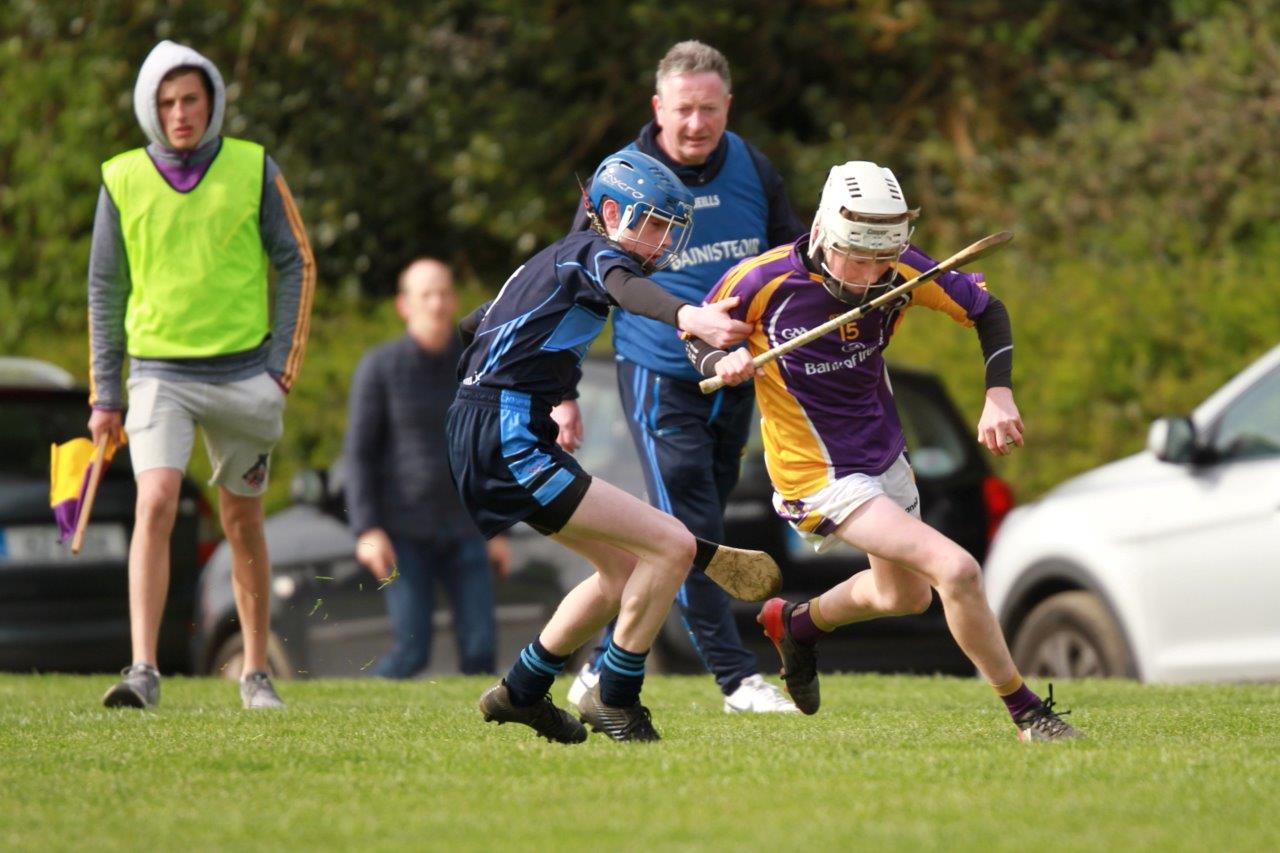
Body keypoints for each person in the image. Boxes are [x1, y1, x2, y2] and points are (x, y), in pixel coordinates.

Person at [689, 160, 1082, 742]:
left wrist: (998, 392)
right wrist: (720, 358)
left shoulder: (900, 269)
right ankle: (1028, 715)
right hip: (815, 475)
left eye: (882, 260)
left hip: (883, 454)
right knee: (958, 570)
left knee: (904, 594)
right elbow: (697, 331)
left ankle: (797, 626)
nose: (871, 275)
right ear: (823, 233)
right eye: (858, 258)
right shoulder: (760, 282)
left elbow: (986, 311)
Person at [452, 151, 780, 743]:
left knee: (623, 568)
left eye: (667, 228)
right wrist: (692, 318)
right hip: (506, 432)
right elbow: (626, 291)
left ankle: (521, 693)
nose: (661, 240)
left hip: (489, 428)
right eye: (652, 223)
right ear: (610, 212)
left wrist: (545, 392)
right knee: (674, 545)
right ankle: (617, 698)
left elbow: (473, 329)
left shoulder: (549, 262)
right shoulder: (594, 253)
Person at [563, 40, 806, 715]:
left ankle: (597, 666)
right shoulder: (621, 181)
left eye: (708, 109)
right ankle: (737, 679)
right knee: (692, 528)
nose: (695, 124)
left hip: (736, 374)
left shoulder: (754, 168)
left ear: (727, 106)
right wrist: (560, 393)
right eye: (683, 110)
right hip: (659, 371)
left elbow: (792, 262)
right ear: (657, 108)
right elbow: (572, 284)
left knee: (691, 525)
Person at [88, 41, 315, 710]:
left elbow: (297, 260)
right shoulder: (121, 178)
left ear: (212, 101)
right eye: (165, 101)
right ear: (148, 108)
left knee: (242, 520)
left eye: (190, 98)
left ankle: (254, 672)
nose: (179, 112)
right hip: (158, 375)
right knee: (154, 500)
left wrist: (282, 371)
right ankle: (143, 669)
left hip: (247, 375)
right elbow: (105, 288)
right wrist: (105, 393)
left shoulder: (253, 168)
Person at [344, 259, 511, 678]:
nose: (436, 303)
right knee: (411, 651)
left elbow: (491, 448)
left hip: (466, 528)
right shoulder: (380, 367)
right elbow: (358, 455)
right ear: (405, 305)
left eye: (443, 293)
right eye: (426, 295)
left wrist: (499, 528)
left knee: (481, 650)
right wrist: (366, 529)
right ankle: (359, 720)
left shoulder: (475, 366)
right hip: (402, 530)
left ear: (454, 300)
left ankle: (483, 737)